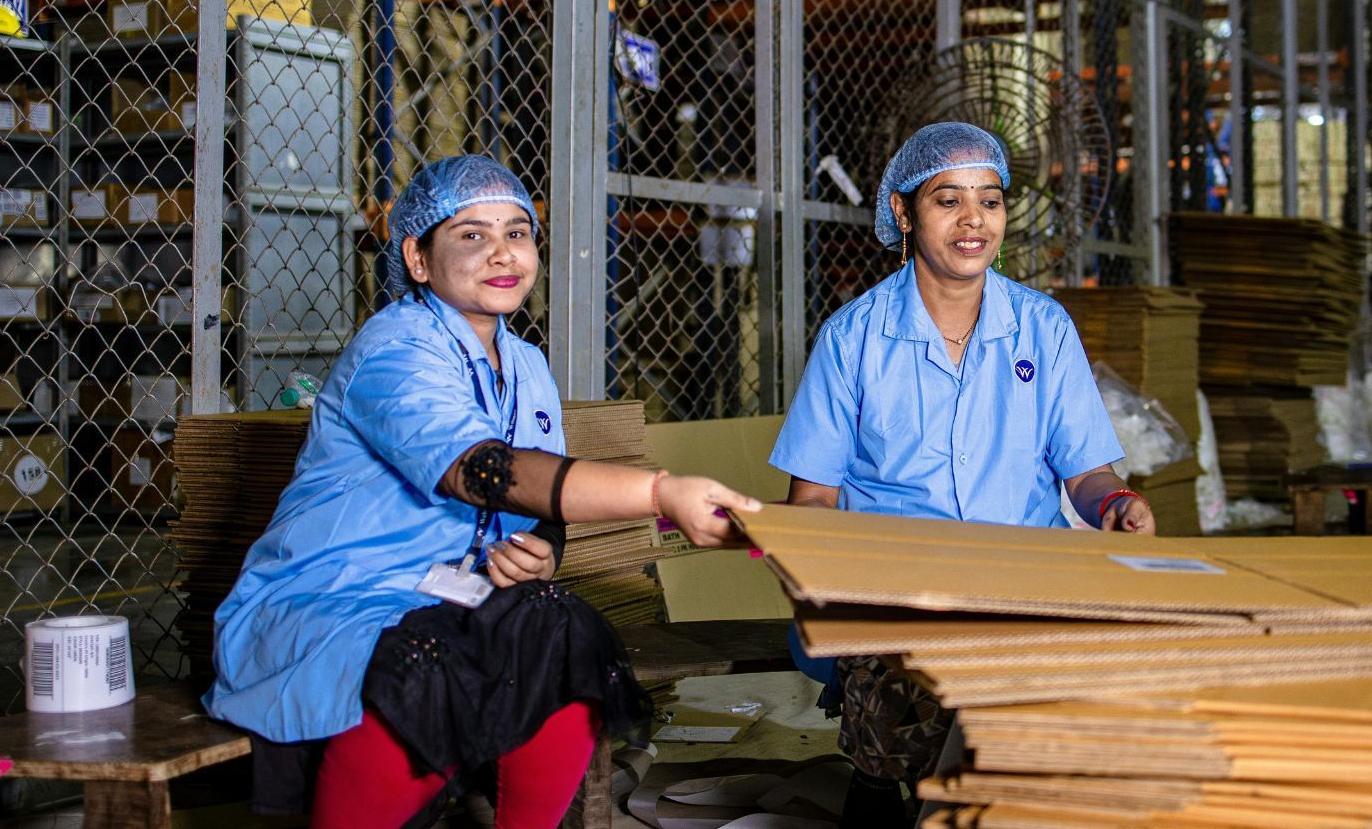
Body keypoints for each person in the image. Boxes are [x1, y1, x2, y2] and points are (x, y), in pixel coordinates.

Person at [204, 155, 762, 829]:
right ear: (417, 257)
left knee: (555, 627)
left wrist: (544, 550)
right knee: (433, 660)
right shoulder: (395, 349)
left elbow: (538, 497)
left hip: (451, 595)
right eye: (471, 235)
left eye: (518, 233)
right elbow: (481, 470)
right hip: (335, 598)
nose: (503, 252)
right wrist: (662, 492)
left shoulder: (525, 363)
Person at [768, 122, 1154, 827]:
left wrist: (1116, 505)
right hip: (893, 589)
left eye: (991, 200)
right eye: (949, 200)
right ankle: (884, 794)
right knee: (915, 708)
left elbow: (1088, 476)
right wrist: (833, 582)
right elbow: (813, 500)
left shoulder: (1044, 327)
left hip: (1021, 580)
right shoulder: (853, 338)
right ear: (903, 212)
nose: (974, 220)